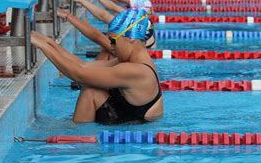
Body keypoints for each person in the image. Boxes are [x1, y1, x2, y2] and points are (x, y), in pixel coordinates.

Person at [31, 9, 163, 124]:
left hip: (136, 127)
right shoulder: (133, 63)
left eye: (113, 41)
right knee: (92, 88)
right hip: (128, 116)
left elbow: (79, 74)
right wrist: (48, 42)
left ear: (130, 39)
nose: (110, 46)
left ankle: (77, 138)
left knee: (90, 92)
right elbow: (84, 65)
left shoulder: (136, 71)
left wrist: (43, 46)